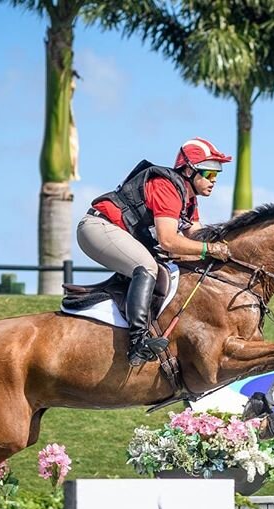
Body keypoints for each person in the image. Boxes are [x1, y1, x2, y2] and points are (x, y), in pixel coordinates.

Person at [77, 137, 232, 366]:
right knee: (147, 267)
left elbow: (196, 237)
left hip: (116, 232)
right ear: (189, 170)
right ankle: (138, 341)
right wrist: (209, 249)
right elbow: (168, 240)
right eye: (209, 174)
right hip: (97, 228)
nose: (214, 180)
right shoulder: (167, 186)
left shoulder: (189, 200)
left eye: (217, 175)